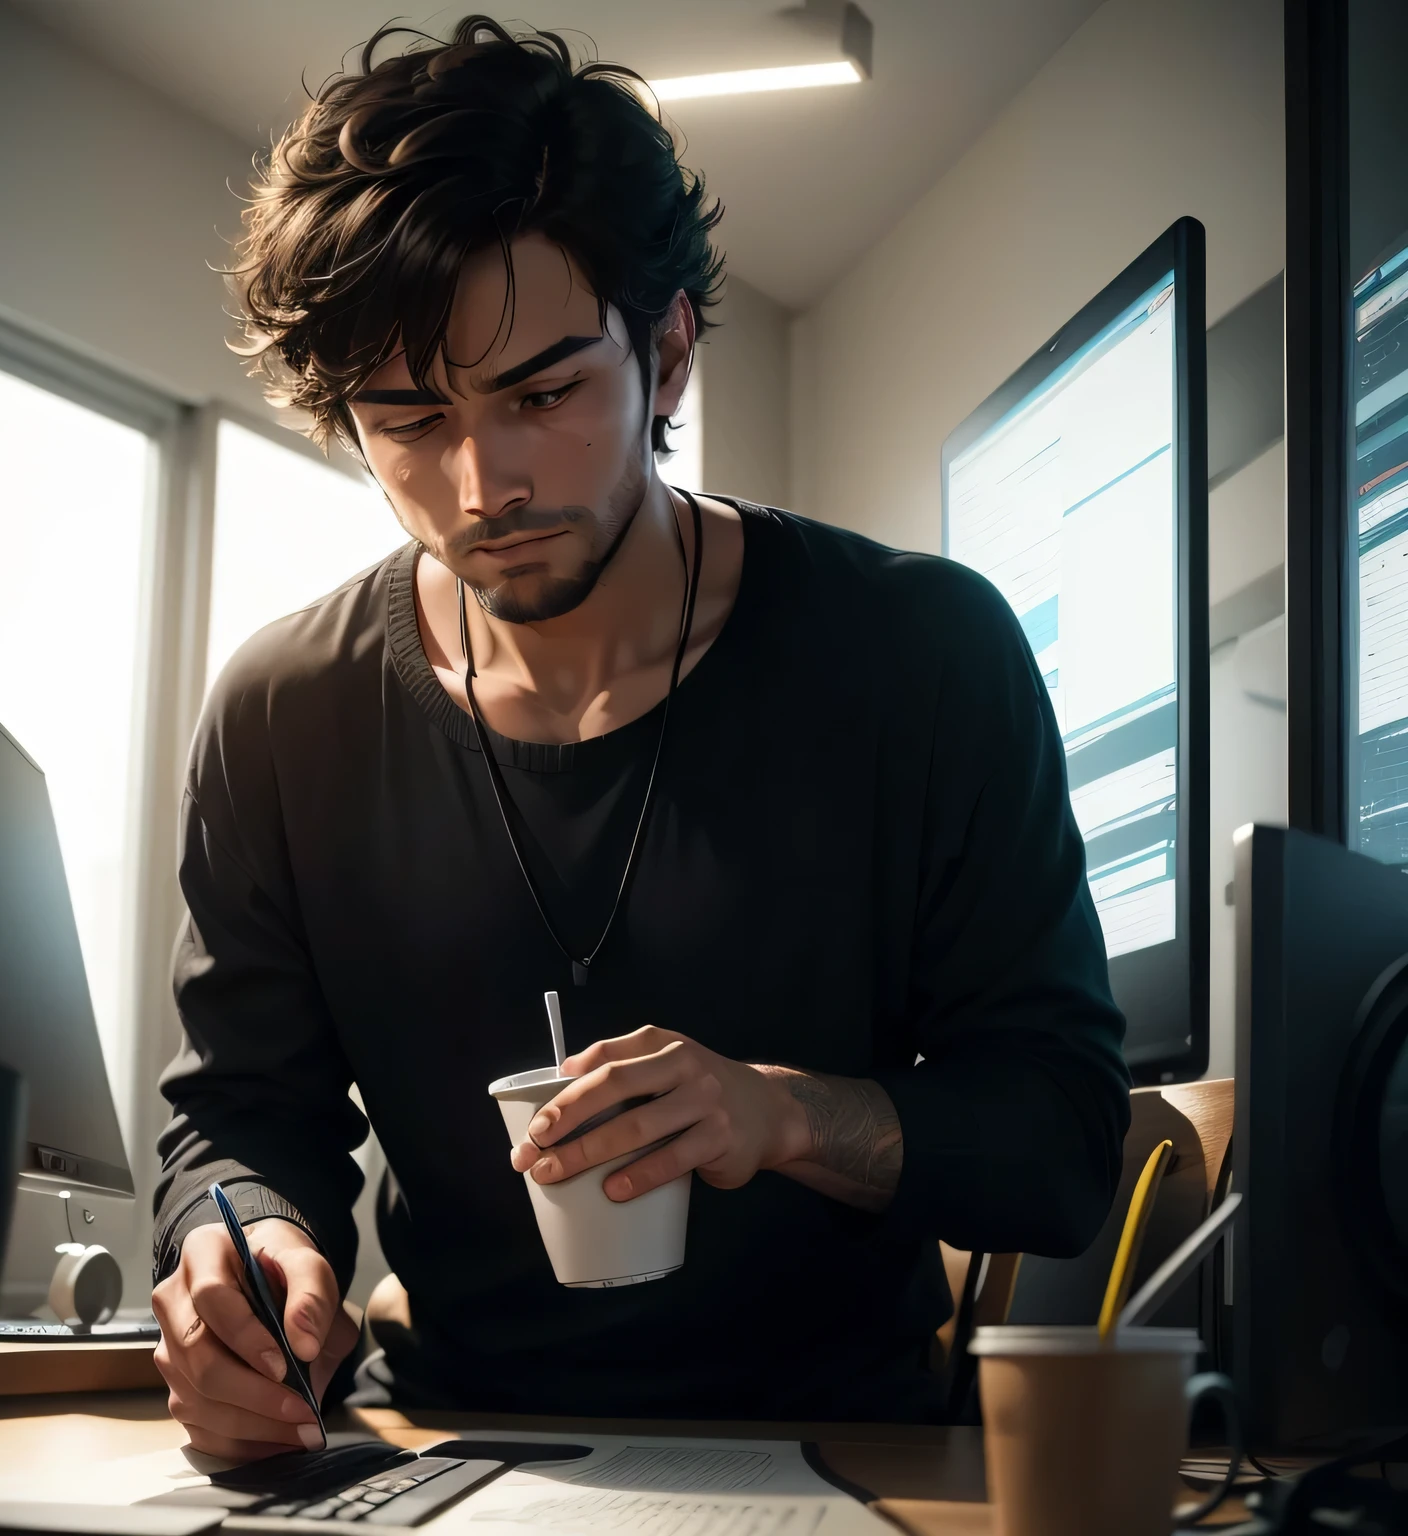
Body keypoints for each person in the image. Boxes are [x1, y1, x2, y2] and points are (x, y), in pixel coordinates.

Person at [150, 15, 1131, 1461]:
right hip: (453, 1445)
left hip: (844, 1452)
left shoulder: (924, 655)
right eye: (409, 420)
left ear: (666, 353)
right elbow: (235, 1119)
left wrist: (786, 1116)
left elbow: (1057, 1142)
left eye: (545, 394)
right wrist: (243, 1250)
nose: (485, 483)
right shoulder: (283, 713)